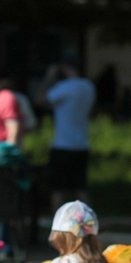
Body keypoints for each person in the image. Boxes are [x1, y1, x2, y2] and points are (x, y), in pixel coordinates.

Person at [39, 63, 96, 209]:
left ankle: (58, 229)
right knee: (81, 189)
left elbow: (39, 100)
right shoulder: (88, 87)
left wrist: (49, 78)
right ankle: (88, 226)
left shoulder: (64, 87)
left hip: (62, 145)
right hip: (82, 145)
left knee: (58, 190)